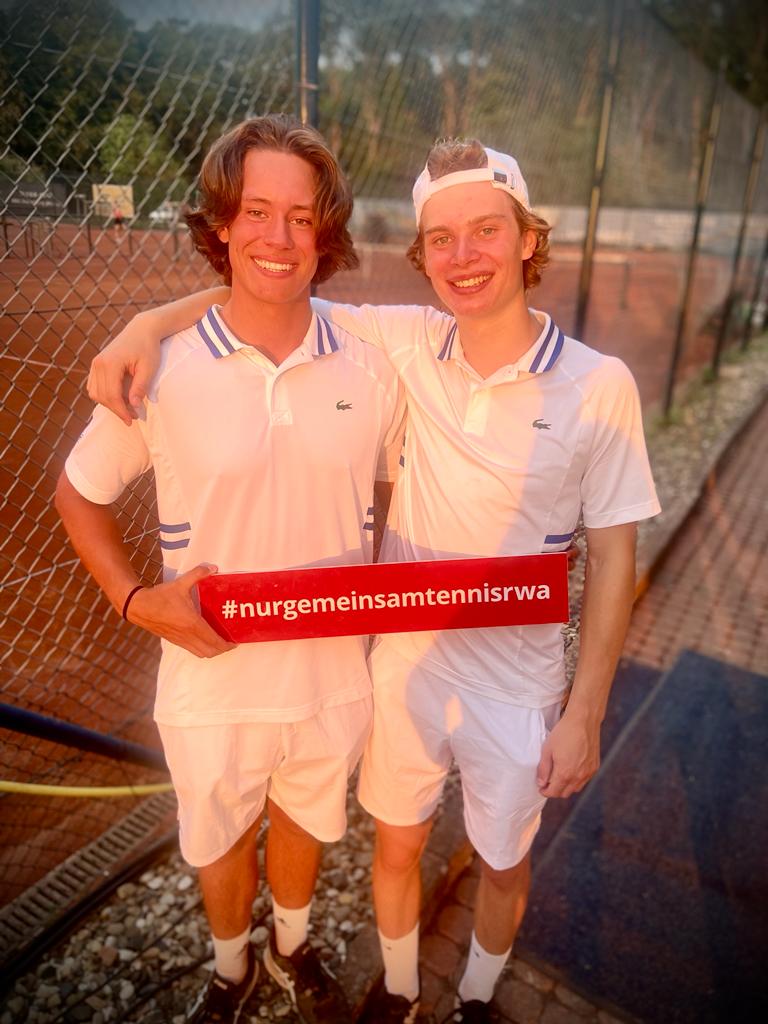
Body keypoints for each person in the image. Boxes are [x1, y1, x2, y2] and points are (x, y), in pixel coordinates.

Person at [86, 138, 660, 1023]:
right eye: (441, 238)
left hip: (521, 683)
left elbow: (617, 556)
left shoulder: (599, 384)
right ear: (422, 253)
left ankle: (476, 997)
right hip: (404, 668)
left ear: (527, 238)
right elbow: (265, 291)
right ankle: (398, 989)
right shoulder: (408, 341)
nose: (463, 255)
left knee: (503, 860)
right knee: (396, 846)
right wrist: (147, 324)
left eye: (486, 230)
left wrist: (584, 712)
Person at [56, 114, 404, 1024]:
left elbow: (393, 491)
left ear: (325, 233)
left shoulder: (373, 363)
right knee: (218, 836)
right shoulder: (161, 369)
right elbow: (77, 493)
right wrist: (136, 601)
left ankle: (290, 947)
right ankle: (230, 968)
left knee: (304, 821)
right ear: (220, 223)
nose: (278, 237)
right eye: (256, 211)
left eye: (301, 216)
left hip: (331, 674)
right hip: (210, 676)